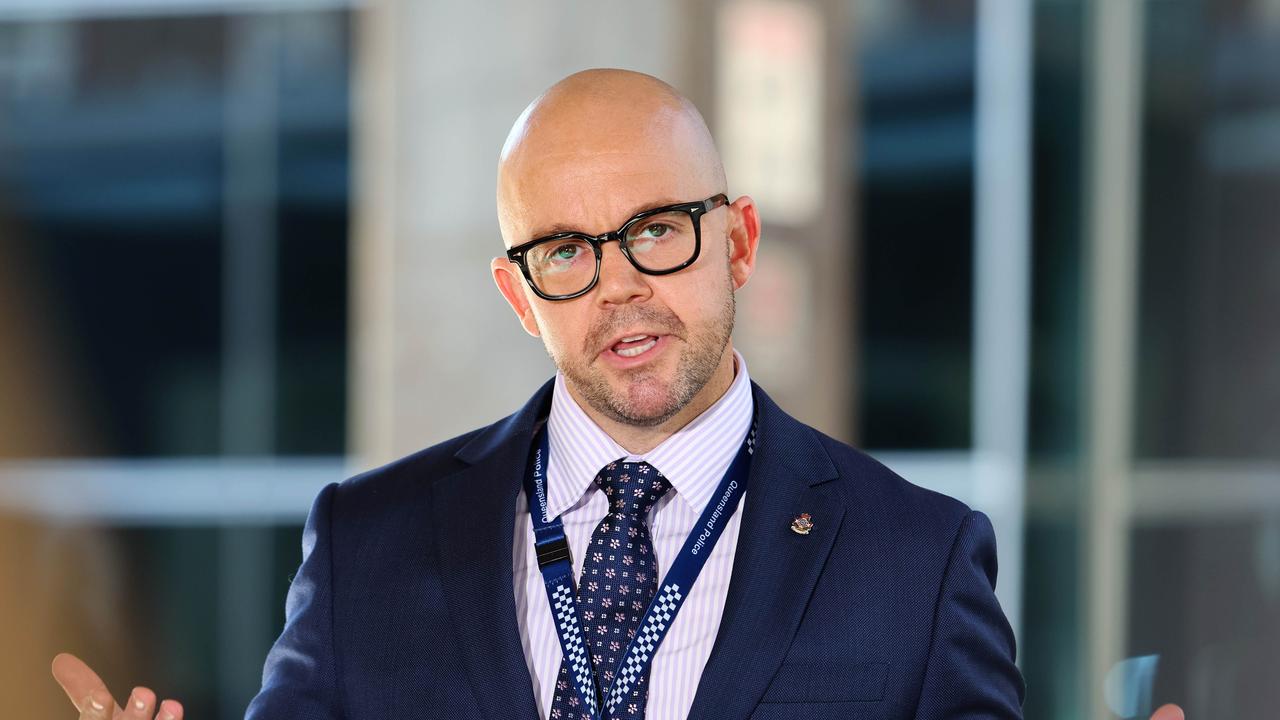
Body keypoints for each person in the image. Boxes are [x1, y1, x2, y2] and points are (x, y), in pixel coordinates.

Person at [50, 69, 1186, 720]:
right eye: (564, 252)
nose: (619, 288)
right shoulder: (368, 546)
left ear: (736, 242)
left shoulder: (916, 561)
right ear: (516, 292)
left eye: (656, 231)